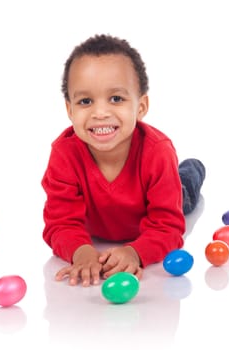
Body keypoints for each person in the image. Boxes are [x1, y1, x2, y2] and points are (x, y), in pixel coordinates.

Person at [41, 34, 205, 287]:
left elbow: (168, 227)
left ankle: (192, 170)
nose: (100, 113)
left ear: (140, 107)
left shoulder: (157, 152)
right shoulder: (64, 154)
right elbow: (60, 223)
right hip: (120, 211)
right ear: (70, 110)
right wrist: (81, 252)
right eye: (85, 101)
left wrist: (136, 252)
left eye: (116, 98)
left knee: (186, 192)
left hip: (165, 197)